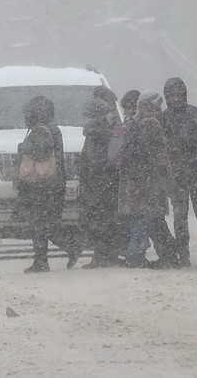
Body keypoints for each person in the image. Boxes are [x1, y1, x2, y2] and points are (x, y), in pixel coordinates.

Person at [161, 77, 197, 266]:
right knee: (181, 218)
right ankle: (184, 256)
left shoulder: (195, 115)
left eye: (178, 95)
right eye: (171, 96)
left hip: (193, 174)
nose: (175, 99)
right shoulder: (165, 119)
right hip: (180, 176)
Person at [117, 90, 176, 268]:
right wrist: (169, 181)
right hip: (149, 181)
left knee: (140, 219)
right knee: (148, 220)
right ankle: (143, 256)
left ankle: (151, 255)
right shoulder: (151, 123)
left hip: (132, 180)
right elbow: (160, 157)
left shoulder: (130, 121)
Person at [15, 95, 70, 274]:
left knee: (39, 224)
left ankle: (46, 258)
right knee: (47, 224)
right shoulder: (53, 129)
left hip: (41, 185)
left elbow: (40, 153)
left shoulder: (39, 131)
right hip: (53, 183)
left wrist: (22, 148)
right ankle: (48, 257)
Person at [79, 96, 125, 268]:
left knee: (100, 220)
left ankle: (102, 255)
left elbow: (95, 159)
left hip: (100, 183)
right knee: (105, 220)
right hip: (104, 183)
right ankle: (106, 254)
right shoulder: (103, 132)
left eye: (87, 115)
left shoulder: (98, 134)